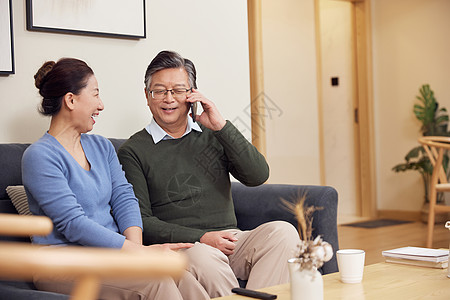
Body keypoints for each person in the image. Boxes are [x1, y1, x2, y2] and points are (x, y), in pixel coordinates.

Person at [22, 58, 209, 300]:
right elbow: (73, 223)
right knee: (156, 282)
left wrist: (137, 251)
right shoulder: (40, 156)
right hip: (62, 264)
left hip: (111, 257)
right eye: (95, 94)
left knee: (182, 276)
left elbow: (124, 198)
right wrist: (138, 255)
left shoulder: (102, 146)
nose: (101, 105)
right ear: (71, 100)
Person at [117, 50, 300, 298]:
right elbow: (141, 221)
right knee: (202, 254)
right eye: (159, 90)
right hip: (187, 247)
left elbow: (258, 175)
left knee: (284, 233)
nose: (168, 98)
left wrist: (222, 127)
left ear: (192, 95)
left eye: (178, 90)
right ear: (148, 97)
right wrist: (202, 237)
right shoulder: (134, 150)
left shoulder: (213, 133)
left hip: (231, 240)